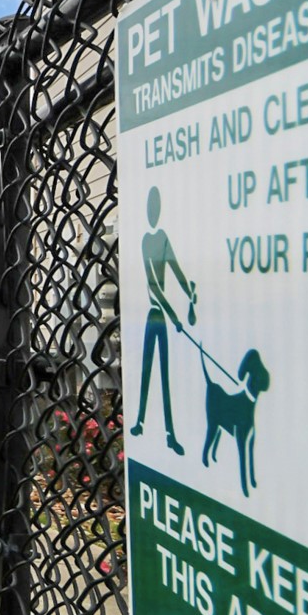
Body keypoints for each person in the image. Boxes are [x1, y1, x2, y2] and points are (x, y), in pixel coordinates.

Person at [131, 186, 196, 453]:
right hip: (154, 314)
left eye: (155, 207)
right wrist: (175, 316)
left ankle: (169, 432)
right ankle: (140, 423)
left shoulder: (163, 237)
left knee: (165, 374)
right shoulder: (146, 240)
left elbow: (176, 268)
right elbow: (155, 286)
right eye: (151, 207)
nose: (153, 212)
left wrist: (188, 290)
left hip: (163, 315)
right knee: (147, 372)